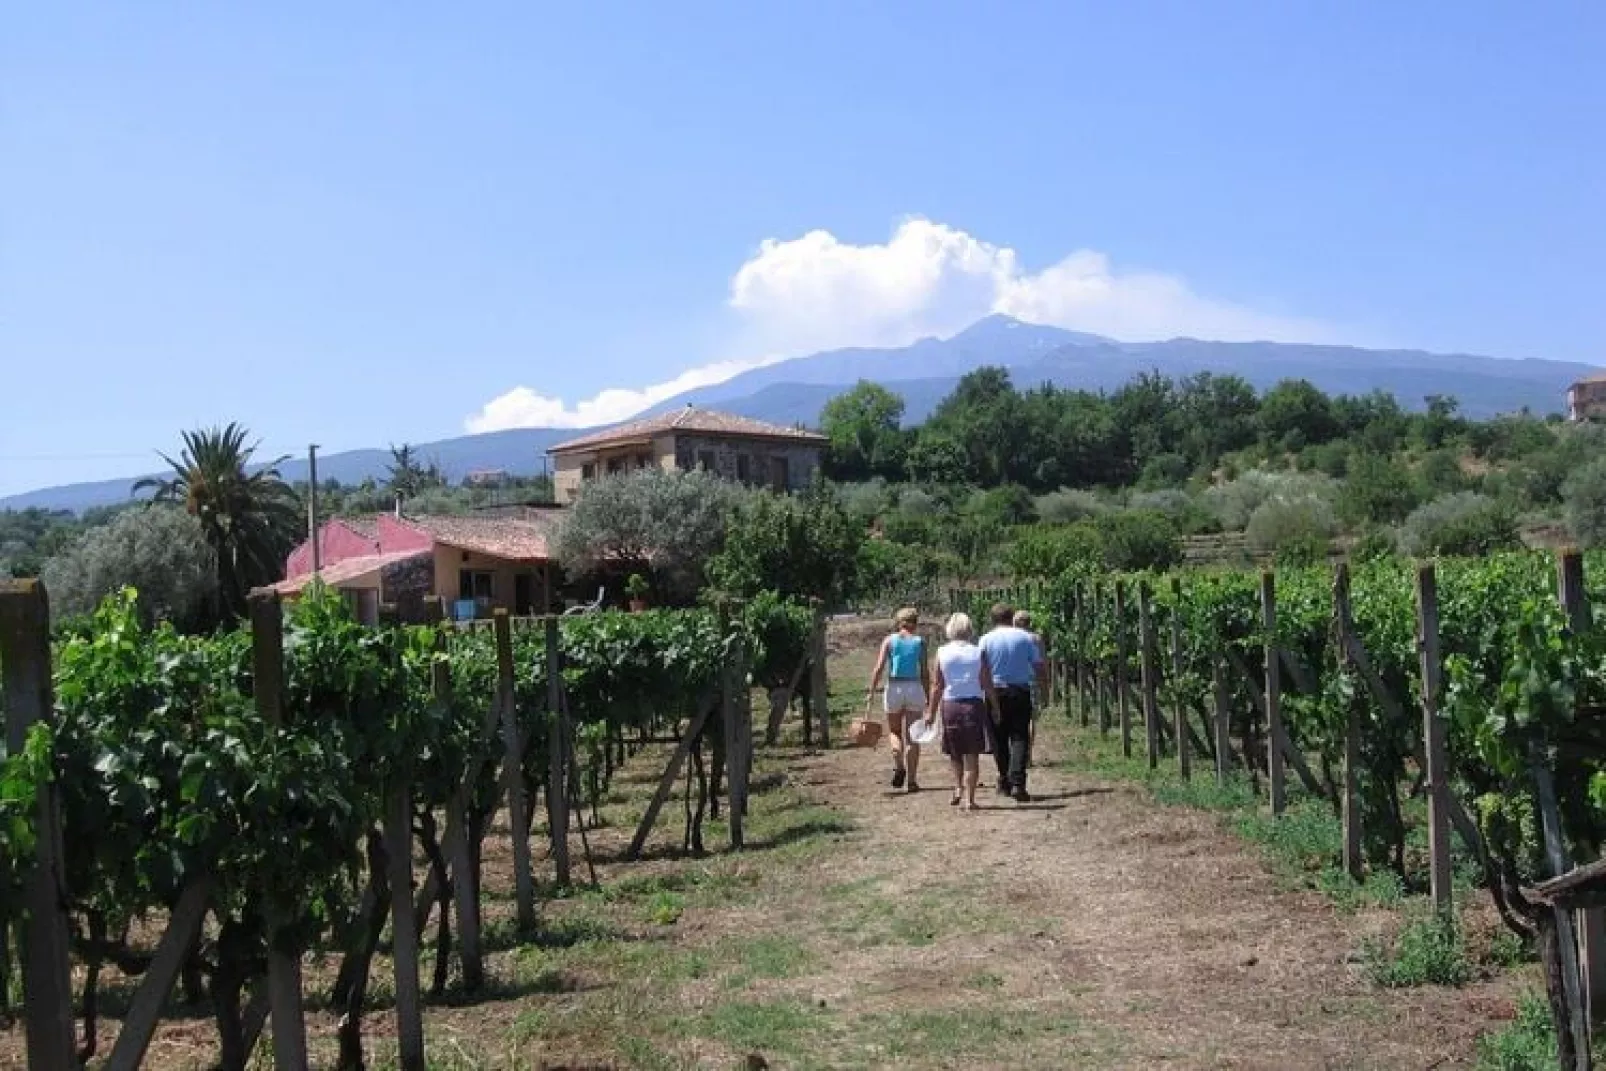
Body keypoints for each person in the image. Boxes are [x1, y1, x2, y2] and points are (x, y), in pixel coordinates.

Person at [928, 612, 997, 811]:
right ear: (969, 629)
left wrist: (930, 712)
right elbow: (986, 682)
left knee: (954, 750)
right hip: (973, 705)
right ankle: (970, 799)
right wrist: (995, 706)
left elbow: (937, 685)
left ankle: (958, 786)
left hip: (950, 704)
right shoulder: (977, 652)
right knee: (972, 753)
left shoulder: (941, 652)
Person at [980, 603, 1047, 802]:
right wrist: (1045, 689)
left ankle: (1004, 779)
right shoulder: (1026, 638)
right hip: (1020, 690)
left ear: (993, 620)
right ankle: (1018, 782)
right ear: (1011, 618)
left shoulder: (985, 640)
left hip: (995, 692)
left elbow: (982, 670)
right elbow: (1038, 666)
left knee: (998, 738)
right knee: (1019, 736)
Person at [866, 607, 930, 792]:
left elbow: (878, 668)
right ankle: (911, 781)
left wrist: (871, 690)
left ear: (898, 622)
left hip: (894, 687)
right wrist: (926, 694)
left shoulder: (890, 641)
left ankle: (898, 762)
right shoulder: (920, 642)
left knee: (894, 731)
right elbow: (924, 672)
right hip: (913, 687)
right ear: (915, 623)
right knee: (913, 736)